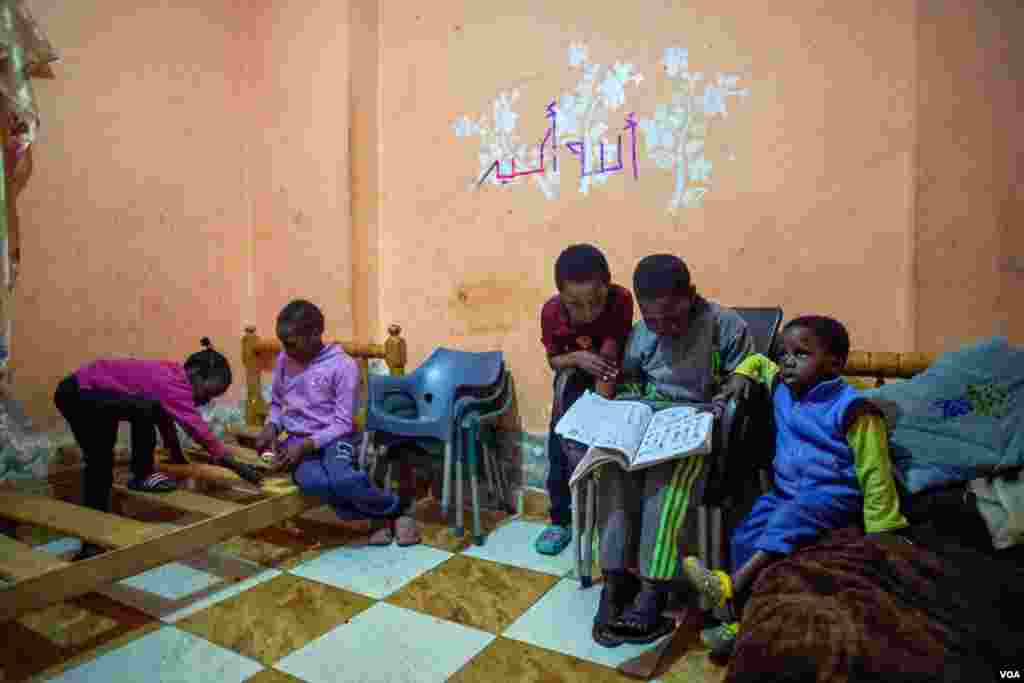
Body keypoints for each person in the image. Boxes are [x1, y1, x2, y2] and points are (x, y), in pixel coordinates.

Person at [681, 315, 909, 657]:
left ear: (835, 363)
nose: (787, 361)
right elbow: (759, 360)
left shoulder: (855, 410)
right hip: (786, 491)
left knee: (790, 517)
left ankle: (729, 586)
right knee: (747, 532)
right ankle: (742, 620)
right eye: (783, 353)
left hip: (835, 494)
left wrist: (882, 528)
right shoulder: (782, 387)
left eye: (800, 354)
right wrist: (743, 372)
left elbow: (874, 471)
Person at [592, 254, 754, 646]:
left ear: (692, 297)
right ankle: (615, 582)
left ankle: (652, 590)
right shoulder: (642, 334)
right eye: (653, 322)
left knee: (665, 483)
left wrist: (738, 380)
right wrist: (622, 412)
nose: (663, 329)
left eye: (673, 319)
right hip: (650, 421)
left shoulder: (723, 324)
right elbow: (630, 380)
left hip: (696, 426)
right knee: (611, 469)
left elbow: (750, 366)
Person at [54, 338, 263, 561]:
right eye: (208, 393)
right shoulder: (175, 385)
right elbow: (198, 431)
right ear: (196, 375)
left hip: (84, 392)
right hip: (81, 394)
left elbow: (165, 420)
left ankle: (92, 546)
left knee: (101, 464)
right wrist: (238, 466)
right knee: (116, 443)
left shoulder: (171, 376)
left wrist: (175, 453)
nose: (205, 401)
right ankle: (141, 476)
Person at [255, 300, 421, 545]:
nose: (285, 349)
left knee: (342, 478)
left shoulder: (342, 366)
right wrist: (271, 426)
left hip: (336, 438)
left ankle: (399, 509)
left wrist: (307, 446)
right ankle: (382, 517)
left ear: (315, 334)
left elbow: (343, 423)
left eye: (291, 343)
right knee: (314, 482)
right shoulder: (284, 360)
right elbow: (278, 404)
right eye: (283, 342)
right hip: (298, 440)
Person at [536, 244, 634, 556]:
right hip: (571, 377)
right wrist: (578, 357)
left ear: (607, 286)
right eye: (576, 305)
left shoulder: (621, 300)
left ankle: (606, 519)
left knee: (605, 450)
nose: (588, 312)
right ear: (561, 295)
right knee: (559, 446)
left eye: (595, 302)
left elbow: (610, 356)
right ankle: (560, 520)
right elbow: (554, 361)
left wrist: (598, 417)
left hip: (613, 376)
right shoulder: (551, 312)